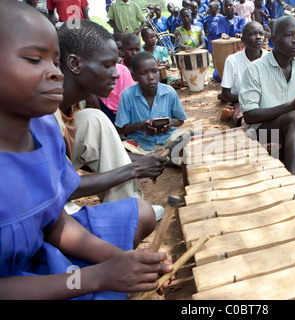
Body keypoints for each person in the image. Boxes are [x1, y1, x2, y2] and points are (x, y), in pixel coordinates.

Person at [0, 0, 174, 300]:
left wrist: (116, 258)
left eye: (54, 61)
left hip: (41, 255)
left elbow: (54, 223)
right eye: (32, 59)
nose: (55, 73)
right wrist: (94, 278)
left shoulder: (43, 131)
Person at [56, 19, 168, 218]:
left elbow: (94, 155)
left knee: (94, 118)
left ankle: (128, 205)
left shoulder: (76, 105)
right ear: (74, 64)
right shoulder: (41, 113)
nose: (116, 74)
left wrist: (142, 161)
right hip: (35, 198)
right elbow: (60, 186)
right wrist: (134, 169)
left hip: (54, 183)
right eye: (107, 65)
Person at [239, 15, 295, 176]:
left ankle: (284, 149)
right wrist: (292, 105)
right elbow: (250, 116)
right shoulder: (255, 70)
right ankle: (291, 176)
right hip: (264, 131)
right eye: (288, 35)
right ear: (274, 40)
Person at [115, 52, 188, 156]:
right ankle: (164, 157)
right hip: (140, 143)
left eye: (154, 71)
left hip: (167, 140)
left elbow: (180, 120)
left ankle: (157, 158)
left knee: (187, 137)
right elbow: (120, 128)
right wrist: (140, 126)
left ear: (159, 71)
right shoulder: (127, 95)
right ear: (134, 76)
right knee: (121, 151)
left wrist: (170, 123)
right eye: (144, 73)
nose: (150, 77)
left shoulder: (169, 91)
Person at [220, 22, 269, 127]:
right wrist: (249, 98)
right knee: (246, 123)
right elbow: (225, 94)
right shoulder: (232, 60)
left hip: (267, 101)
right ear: (243, 39)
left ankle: (270, 141)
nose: (258, 37)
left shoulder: (270, 58)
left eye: (261, 34)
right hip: (242, 102)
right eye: (253, 34)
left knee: (274, 121)